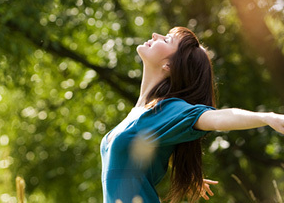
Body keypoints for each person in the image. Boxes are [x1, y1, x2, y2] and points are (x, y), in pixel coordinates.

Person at [100, 26, 284, 203]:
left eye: (166, 39)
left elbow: (216, 118)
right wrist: (183, 171)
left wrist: (266, 117)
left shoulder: (168, 109)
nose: (155, 35)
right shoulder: (143, 113)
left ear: (169, 65)